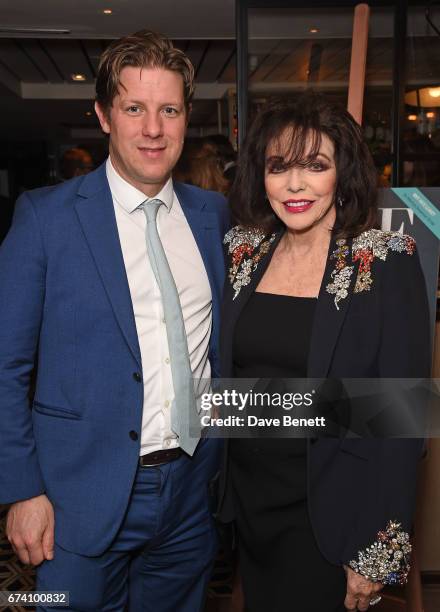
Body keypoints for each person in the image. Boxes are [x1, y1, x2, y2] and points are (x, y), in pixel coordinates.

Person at [0, 30, 228, 611]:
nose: (153, 128)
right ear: (104, 115)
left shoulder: (215, 218)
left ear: (185, 117)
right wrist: (22, 489)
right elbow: (5, 365)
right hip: (73, 499)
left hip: (190, 496)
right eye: (134, 108)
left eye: (168, 109)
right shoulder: (45, 219)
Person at [217, 93, 431, 612]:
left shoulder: (383, 260)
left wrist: (377, 553)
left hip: (333, 513)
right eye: (278, 166)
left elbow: (402, 423)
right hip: (249, 508)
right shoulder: (243, 250)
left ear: (344, 172)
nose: (294, 184)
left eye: (315, 165)